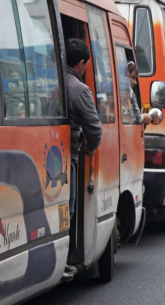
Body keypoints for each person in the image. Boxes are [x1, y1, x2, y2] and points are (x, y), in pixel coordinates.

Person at [64, 38, 103, 280]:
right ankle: (66, 261)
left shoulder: (50, 82)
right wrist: (90, 150)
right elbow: (95, 130)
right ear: (80, 64)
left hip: (41, 155)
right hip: (66, 159)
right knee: (67, 209)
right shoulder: (80, 90)